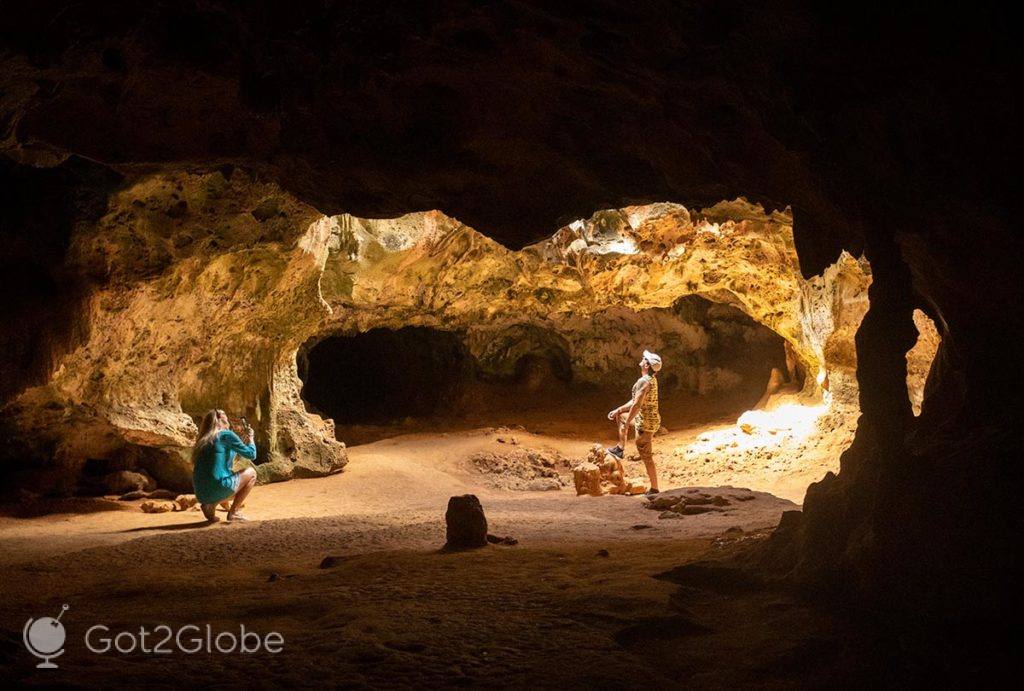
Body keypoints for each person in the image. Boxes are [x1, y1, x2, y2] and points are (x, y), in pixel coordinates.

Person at [606, 350, 662, 494]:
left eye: (645, 359)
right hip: (647, 419)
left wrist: (627, 423)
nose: (642, 359)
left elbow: (636, 405)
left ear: (647, 365)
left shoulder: (644, 381)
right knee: (621, 416)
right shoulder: (650, 379)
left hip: (646, 424)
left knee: (647, 456)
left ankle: (655, 488)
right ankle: (620, 448)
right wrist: (619, 410)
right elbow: (635, 401)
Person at [192, 409, 257, 522]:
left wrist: (241, 440)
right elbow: (251, 454)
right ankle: (233, 512)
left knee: (226, 474)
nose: (227, 416)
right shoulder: (226, 435)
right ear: (219, 419)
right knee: (252, 473)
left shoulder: (203, 440)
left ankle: (209, 506)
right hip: (218, 487)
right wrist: (251, 438)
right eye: (225, 414)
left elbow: (221, 459)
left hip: (200, 494)